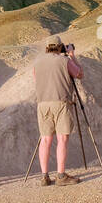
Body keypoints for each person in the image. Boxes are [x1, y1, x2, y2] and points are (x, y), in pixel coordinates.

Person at [32, 40, 83, 187]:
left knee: (45, 139)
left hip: (42, 104)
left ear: (47, 47)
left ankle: (44, 176)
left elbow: (37, 80)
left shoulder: (37, 62)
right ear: (60, 46)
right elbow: (79, 74)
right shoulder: (64, 60)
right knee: (62, 139)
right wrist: (72, 55)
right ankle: (60, 176)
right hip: (61, 102)